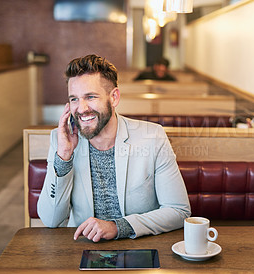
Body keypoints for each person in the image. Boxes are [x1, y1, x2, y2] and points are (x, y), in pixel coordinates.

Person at [37, 54, 191, 242]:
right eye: (74, 99)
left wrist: (118, 227)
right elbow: (50, 220)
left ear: (114, 97)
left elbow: (179, 210)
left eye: (90, 97)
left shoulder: (153, 136)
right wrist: (64, 157)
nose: (81, 108)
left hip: (139, 248)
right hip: (82, 250)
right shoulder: (61, 140)